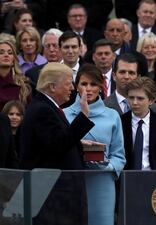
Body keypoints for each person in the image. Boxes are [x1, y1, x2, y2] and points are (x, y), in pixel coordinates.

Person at [19, 62, 95, 225]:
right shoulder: (42, 110)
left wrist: (79, 144)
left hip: (58, 194)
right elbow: (58, 145)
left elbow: (53, 141)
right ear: (53, 87)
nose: (73, 89)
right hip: (53, 196)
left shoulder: (47, 107)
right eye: (68, 84)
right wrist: (83, 116)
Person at [64, 64, 125, 225]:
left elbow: (119, 155)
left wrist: (107, 166)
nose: (88, 89)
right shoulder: (63, 114)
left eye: (93, 84)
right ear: (76, 86)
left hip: (102, 183)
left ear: (101, 86)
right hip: (72, 181)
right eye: (84, 84)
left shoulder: (113, 116)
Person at [122, 76, 156, 169]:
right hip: (126, 178)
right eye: (131, 98)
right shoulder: (120, 122)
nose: (134, 102)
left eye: (140, 98)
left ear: (151, 100)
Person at [0, 39, 31, 111]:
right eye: (1, 53)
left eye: (10, 53)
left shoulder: (23, 85)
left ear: (14, 59)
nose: (6, 55)